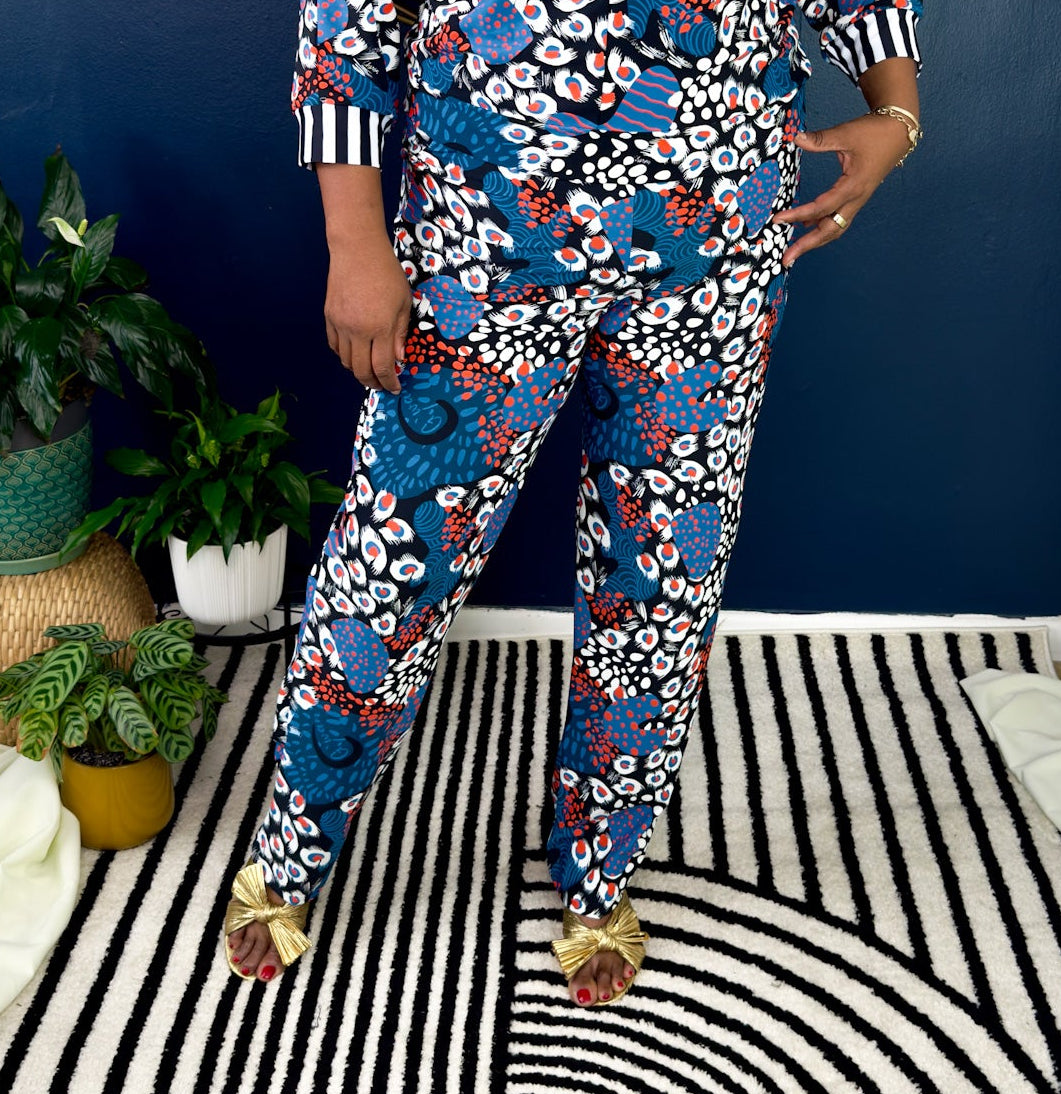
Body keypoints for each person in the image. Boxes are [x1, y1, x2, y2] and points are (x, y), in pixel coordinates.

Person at [224, 0, 923, 1006]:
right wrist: (353, 239)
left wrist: (895, 118)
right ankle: (290, 849)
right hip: (481, 238)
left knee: (664, 575)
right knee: (395, 560)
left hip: (713, 248)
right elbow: (347, 17)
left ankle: (600, 869)